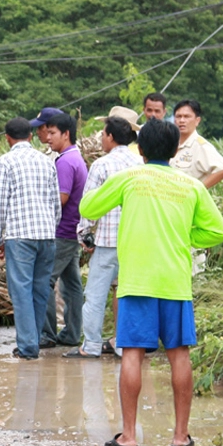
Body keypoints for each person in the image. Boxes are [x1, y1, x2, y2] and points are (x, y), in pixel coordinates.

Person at [80, 120, 223, 446]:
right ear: (176, 150)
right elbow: (219, 232)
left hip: (136, 284)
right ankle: (180, 436)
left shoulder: (129, 179)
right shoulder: (191, 186)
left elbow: (87, 207)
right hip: (175, 285)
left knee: (132, 353)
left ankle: (129, 437)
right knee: (179, 356)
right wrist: (187, 237)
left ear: (141, 150)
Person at [64, 116, 141, 359]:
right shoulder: (141, 164)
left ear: (110, 137)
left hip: (107, 242)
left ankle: (92, 346)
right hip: (135, 242)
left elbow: (89, 205)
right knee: (129, 295)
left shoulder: (102, 165)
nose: (101, 139)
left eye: (103, 134)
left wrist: (84, 234)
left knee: (95, 295)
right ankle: (123, 347)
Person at [0, 118, 60, 360]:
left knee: (20, 292)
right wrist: (51, 228)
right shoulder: (46, 161)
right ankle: (33, 341)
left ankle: (28, 346)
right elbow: (55, 204)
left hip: (20, 237)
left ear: (7, 138)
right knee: (40, 291)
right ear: (31, 136)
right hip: (46, 235)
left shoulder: (5, 162)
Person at [38, 112, 88, 349]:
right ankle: (71, 333)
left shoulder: (66, 162)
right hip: (73, 230)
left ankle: (47, 334)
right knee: (72, 284)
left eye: (52, 133)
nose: (48, 138)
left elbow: (62, 198)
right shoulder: (76, 158)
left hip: (62, 231)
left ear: (66, 134)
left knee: (44, 281)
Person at [171, 99, 223, 189]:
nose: (182, 120)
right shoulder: (170, 143)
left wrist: (199, 190)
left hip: (188, 200)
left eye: (187, 117)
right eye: (178, 116)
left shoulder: (200, 146)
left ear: (197, 121)